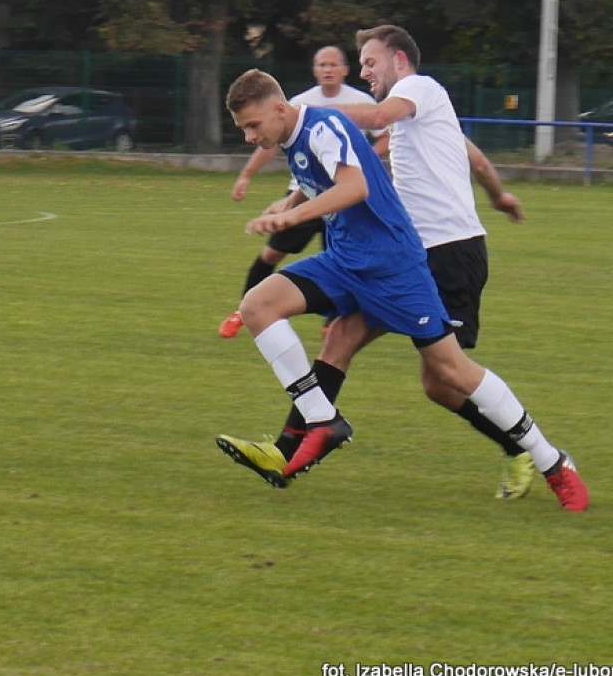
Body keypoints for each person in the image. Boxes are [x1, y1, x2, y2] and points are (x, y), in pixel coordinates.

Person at [219, 67, 588, 511]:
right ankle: (320, 420)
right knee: (260, 305)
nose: (248, 137)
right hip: (345, 259)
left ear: (279, 109)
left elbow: (354, 187)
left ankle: (551, 461)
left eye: (252, 126)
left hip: (393, 266)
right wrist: (292, 201)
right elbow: (328, 176)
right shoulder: (296, 138)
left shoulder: (323, 124)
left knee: (451, 372)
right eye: (243, 129)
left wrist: (292, 216)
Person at [218, 46, 388, 338]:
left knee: (337, 255)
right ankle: (244, 310)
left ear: (345, 69)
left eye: (333, 64)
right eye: (322, 64)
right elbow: (270, 143)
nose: (328, 69)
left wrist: (364, 160)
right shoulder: (297, 104)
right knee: (272, 252)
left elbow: (383, 140)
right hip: (308, 191)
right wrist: (279, 194)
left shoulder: (358, 102)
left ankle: (333, 321)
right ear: (314, 69)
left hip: (343, 197)